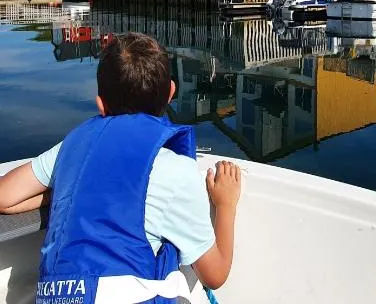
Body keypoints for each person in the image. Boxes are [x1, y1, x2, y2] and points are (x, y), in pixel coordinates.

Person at [0, 33, 241, 303]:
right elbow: (215, 275)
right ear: (171, 92)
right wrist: (226, 205)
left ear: (100, 104)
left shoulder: (72, 146)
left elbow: (5, 197)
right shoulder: (176, 172)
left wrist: (76, 192)